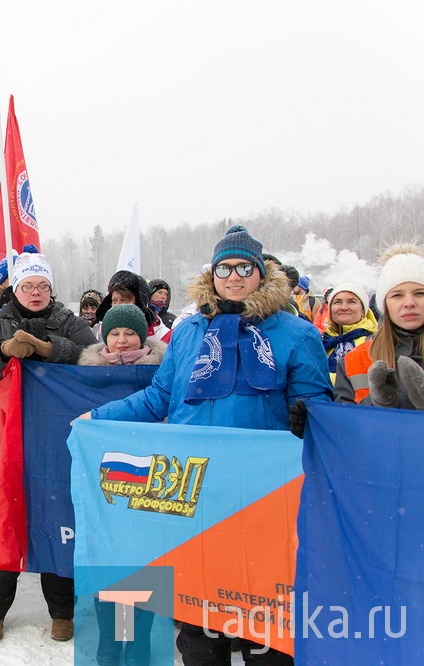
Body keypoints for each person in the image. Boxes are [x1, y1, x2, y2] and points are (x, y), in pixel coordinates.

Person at [84, 225, 332, 666]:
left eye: (243, 267)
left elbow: (316, 406)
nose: (233, 277)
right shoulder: (190, 330)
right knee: (199, 615)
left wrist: (308, 416)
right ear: (212, 274)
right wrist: (98, 418)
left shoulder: (296, 333)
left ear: (260, 272)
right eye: (224, 268)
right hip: (195, 487)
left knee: (265, 614)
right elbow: (160, 397)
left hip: (263, 490)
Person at [0, 252, 97, 643]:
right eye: (27, 286)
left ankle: (62, 611)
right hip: (0, 449)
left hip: (55, 448)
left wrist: (54, 350)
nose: (35, 292)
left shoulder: (71, 323)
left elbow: (97, 363)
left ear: (51, 289)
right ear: (14, 288)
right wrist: (0, 352)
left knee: (57, 528)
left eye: (42, 286)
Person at [77, 304, 165, 666]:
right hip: (104, 481)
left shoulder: (161, 371)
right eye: (115, 333)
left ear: (143, 335)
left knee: (144, 560)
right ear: (104, 336)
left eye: (130, 333)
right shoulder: (85, 373)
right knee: (109, 560)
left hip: (150, 476)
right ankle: (112, 642)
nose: (123, 340)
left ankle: (137, 638)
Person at [335, 244, 424, 409]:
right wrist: (377, 403)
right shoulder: (355, 360)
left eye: (420, 293)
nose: (409, 303)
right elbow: (344, 426)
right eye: (397, 295)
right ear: (384, 304)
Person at [321, 282, 376, 383]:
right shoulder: (323, 342)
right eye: (337, 302)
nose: (344, 307)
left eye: (351, 302)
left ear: (363, 310)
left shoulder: (374, 342)